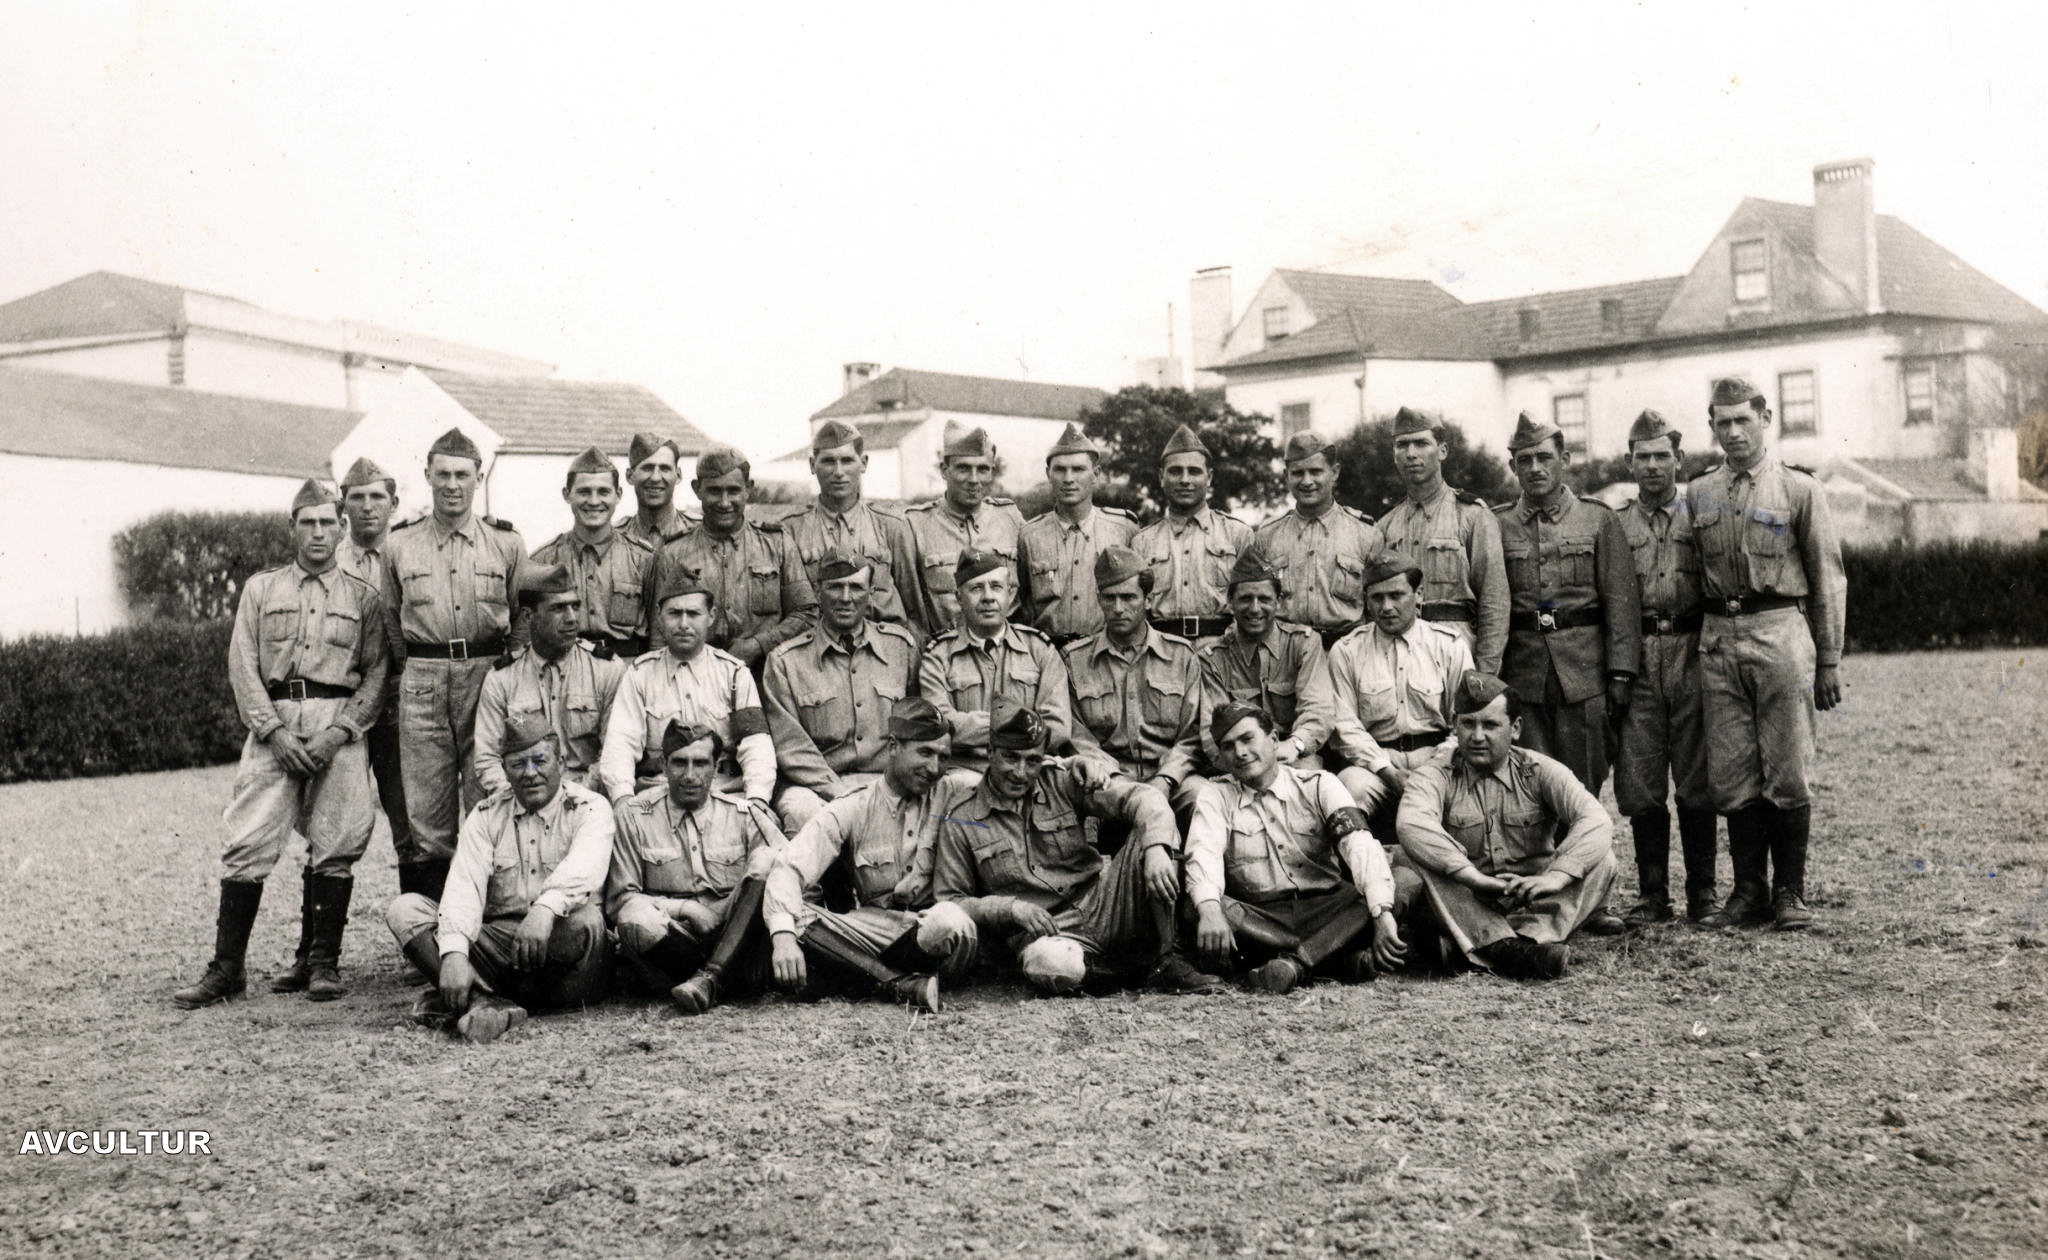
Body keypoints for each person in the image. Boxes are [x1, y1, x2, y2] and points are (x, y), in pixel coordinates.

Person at [173, 480, 390, 1008]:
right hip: (275, 726)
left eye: (327, 523)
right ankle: (227, 969)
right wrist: (272, 730)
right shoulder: (261, 590)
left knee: (337, 841)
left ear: (341, 528)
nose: (318, 533)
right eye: (307, 522)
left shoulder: (364, 598)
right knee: (247, 840)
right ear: (292, 527)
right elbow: (242, 665)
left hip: (338, 727)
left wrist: (340, 731)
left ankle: (322, 963)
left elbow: (377, 672)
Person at [1688, 376, 1846, 932]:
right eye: (1723, 423)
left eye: (1743, 420)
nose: (1733, 432)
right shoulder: (1700, 493)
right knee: (1732, 771)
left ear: (1765, 420)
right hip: (1718, 636)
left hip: (1779, 630)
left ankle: (1790, 892)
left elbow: (1828, 578)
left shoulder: (1799, 489)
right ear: (1712, 427)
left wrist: (1829, 659)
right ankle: (1748, 891)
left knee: (1787, 766)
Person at [930, 698, 1220, 995]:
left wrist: (1156, 850)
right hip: (1049, 931)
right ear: (990, 752)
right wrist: (1009, 908)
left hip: (1103, 903)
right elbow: (952, 900)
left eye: (1032, 761)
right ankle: (1123, 971)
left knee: (1155, 829)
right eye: (1010, 758)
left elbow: (1145, 798)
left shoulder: (1061, 781)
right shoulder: (962, 817)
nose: (1020, 772)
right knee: (1047, 962)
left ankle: (1168, 956)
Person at [385, 713, 614, 1043]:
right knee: (405, 910)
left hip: (561, 944)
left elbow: (585, 867)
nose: (530, 773)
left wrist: (545, 909)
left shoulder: (590, 808)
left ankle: (472, 1000)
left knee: (587, 922)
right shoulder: (486, 816)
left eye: (540, 761)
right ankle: (484, 1001)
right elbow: (464, 885)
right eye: (518, 764)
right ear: (505, 770)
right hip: (502, 947)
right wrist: (453, 953)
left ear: (561, 762)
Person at [1396, 673, 1622, 980]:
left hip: (1533, 896)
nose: (1477, 737)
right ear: (1454, 726)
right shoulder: (1436, 775)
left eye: (1490, 725)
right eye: (1468, 724)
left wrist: (1556, 877)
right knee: (1409, 856)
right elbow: (1412, 824)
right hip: (1466, 896)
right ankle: (1516, 951)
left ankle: (1483, 944)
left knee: (1602, 858)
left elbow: (1595, 819)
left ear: (1515, 728)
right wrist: (1472, 877)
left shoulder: (1538, 770)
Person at [383, 426, 528, 900]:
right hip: (423, 680)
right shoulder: (399, 545)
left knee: (490, 799)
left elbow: (522, 616)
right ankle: (434, 929)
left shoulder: (506, 543)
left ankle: (489, 922)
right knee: (427, 814)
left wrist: (508, 677)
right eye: (442, 474)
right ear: (427, 476)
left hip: (488, 677)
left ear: (478, 478)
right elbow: (391, 620)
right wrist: (414, 672)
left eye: (462, 475)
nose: (451, 485)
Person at [763, 698, 979, 1013]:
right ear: (893, 746)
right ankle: (898, 984)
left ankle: (857, 975)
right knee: (791, 915)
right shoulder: (855, 805)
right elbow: (789, 867)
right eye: (924, 753)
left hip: (936, 932)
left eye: (943, 757)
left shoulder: (957, 790)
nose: (934, 768)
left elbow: (1010, 779)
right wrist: (783, 935)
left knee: (949, 921)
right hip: (876, 931)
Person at [1185, 703, 1409, 995]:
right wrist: (1210, 910)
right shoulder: (1216, 796)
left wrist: (1381, 913)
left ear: (1274, 740)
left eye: (1247, 739)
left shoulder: (1319, 784)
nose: (1239, 752)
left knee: (1406, 880)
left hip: (1328, 909)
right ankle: (1336, 959)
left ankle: (1298, 964)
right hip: (1263, 921)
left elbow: (1359, 844)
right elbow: (1204, 852)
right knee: (1197, 905)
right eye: (1228, 746)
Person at [1493, 411, 1640, 793]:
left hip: (1585, 677)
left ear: (1565, 459)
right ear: (1512, 466)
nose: (1535, 468)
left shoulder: (1598, 519)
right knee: (1529, 787)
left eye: (1544, 457)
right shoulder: (1497, 525)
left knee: (1582, 788)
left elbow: (1621, 605)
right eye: (1524, 460)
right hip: (1523, 677)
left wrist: (1621, 673)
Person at [1613, 410, 1717, 924]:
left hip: (1692, 649)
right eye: (1643, 457)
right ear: (1629, 462)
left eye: (1662, 456)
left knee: (1697, 778)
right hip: (1638, 656)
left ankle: (1703, 893)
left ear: (1680, 459)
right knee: (1641, 780)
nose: (1652, 466)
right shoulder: (1616, 525)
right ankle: (1653, 894)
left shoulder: (1701, 516)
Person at [607, 721, 785, 1014]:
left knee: (769, 859)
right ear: (664, 766)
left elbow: (788, 873)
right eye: (679, 763)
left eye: (700, 763)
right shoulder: (634, 816)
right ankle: (723, 981)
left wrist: (723, 910)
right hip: (677, 939)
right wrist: (686, 909)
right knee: (633, 916)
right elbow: (621, 899)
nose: (689, 775)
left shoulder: (743, 814)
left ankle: (713, 977)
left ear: (716, 767)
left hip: (735, 934)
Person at [761, 546, 923, 832]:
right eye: (835, 587)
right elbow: (791, 747)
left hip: (886, 779)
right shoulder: (786, 661)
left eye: (856, 588)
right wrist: (838, 792)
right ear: (817, 592)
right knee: (801, 810)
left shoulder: (901, 649)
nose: (846, 598)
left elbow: (919, 728)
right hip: (816, 786)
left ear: (871, 593)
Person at [598, 564, 777, 807]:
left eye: (693, 614)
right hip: (658, 795)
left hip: (724, 793)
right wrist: (623, 800)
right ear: (659, 616)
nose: (683, 624)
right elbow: (620, 746)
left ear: (711, 616)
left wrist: (757, 798)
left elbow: (756, 745)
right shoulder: (639, 675)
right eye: (675, 613)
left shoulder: (735, 675)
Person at [1326, 554, 1474, 833]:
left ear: (1419, 595)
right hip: (1375, 764)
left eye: (1396, 595)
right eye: (1377, 598)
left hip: (1440, 760)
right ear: (1366, 601)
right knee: (1348, 789)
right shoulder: (1346, 651)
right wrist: (1387, 770)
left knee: (1468, 794)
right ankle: (1360, 860)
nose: (1386, 607)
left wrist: (1435, 767)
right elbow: (1344, 726)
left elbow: (1465, 720)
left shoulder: (1449, 645)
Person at [1062, 547, 1207, 818]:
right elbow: (1077, 736)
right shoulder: (1075, 660)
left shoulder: (1181, 656)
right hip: (1108, 780)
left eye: (1128, 598)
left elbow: (1192, 735)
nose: (1118, 608)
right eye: (1110, 598)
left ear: (1148, 600)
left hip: (1171, 778)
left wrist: (1166, 778)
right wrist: (1112, 775)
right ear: (1099, 599)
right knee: (1143, 805)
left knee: (1204, 798)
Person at [646, 444, 816, 673]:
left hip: (766, 676)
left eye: (733, 491)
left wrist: (758, 645)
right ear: (697, 489)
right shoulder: (673, 553)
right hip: (697, 679)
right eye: (714, 491)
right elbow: (659, 635)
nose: (724, 502)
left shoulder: (778, 544)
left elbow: (806, 614)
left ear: (748, 489)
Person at [473, 562, 626, 798]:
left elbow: (614, 751)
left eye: (575, 606)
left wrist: (578, 797)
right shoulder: (502, 678)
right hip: (524, 796)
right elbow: (487, 758)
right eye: (558, 609)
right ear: (528, 616)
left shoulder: (607, 669)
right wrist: (519, 799)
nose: (572, 618)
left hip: (588, 796)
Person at [1377, 406, 1510, 674]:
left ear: (1442, 451)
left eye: (1421, 443)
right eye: (1402, 445)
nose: (1411, 453)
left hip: (1457, 653)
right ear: (1394, 455)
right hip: (1399, 657)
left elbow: (1494, 602)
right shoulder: (1385, 526)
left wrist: (1485, 675)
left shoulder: (1472, 516)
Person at [919, 549, 1072, 772]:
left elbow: (1057, 728)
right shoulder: (938, 657)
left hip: (1027, 770)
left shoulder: (1040, 650)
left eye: (996, 587)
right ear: (959, 598)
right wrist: (1019, 725)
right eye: (976, 588)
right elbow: (939, 726)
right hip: (965, 771)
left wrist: (976, 729)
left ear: (1010, 595)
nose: (988, 597)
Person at [780, 419, 927, 643]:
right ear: (812, 465)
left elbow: (915, 611)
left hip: (883, 648)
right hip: (817, 650)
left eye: (847, 460)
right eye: (828, 461)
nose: (839, 472)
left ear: (863, 463)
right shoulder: (791, 530)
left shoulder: (891, 526)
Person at [1197, 547, 1338, 772]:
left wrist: (1296, 744)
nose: (1255, 609)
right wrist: (1255, 762)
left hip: (1293, 756)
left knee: (1312, 779)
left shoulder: (1303, 644)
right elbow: (1213, 728)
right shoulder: (1212, 658)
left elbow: (1318, 709)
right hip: (1238, 761)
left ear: (1278, 602)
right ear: (1230, 602)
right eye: (1245, 599)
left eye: (1264, 599)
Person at [336, 455, 411, 872]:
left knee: (409, 819)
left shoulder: (411, 555)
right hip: (344, 705)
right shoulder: (328, 561)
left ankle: (418, 911)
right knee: (332, 821)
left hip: (399, 706)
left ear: (394, 503)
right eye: (357, 497)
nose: (367, 507)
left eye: (377, 497)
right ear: (343, 504)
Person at [1252, 431, 1384, 648]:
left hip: (1346, 652)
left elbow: (1378, 606)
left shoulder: (1366, 534)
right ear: (1286, 476)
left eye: (1315, 472)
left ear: (1334, 472)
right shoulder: (1267, 536)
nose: (1307, 481)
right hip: (1285, 654)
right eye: (1298, 473)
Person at [1130, 424, 1252, 646]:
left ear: (1209, 477)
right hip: (1161, 650)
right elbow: (1135, 610)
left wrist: (1227, 642)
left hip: (1223, 648)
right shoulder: (1142, 542)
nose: (1185, 480)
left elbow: (1253, 602)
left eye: (1194, 471)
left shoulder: (1237, 535)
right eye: (1175, 471)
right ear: (1161, 477)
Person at [1019, 423, 1139, 648]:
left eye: (1078, 469)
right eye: (1060, 470)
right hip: (1048, 654)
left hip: (1106, 653)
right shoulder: (1029, 536)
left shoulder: (1124, 529)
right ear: (1048, 474)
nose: (1068, 478)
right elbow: (1021, 607)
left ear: (1096, 474)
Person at [533, 446, 656, 658]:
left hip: (626, 667)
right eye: (584, 492)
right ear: (567, 495)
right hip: (565, 666)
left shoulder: (643, 559)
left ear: (618, 495)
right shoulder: (544, 560)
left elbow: (659, 630)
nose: (594, 501)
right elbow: (531, 630)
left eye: (603, 492)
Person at [906, 421, 1027, 632]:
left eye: (982, 469)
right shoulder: (915, 525)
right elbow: (910, 606)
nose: (973, 479)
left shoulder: (1010, 518)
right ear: (944, 470)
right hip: (944, 646)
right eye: (963, 469)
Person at [617, 431, 697, 550]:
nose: (655, 478)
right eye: (647, 468)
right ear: (629, 476)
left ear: (678, 475)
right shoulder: (616, 537)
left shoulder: (700, 531)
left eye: (665, 469)